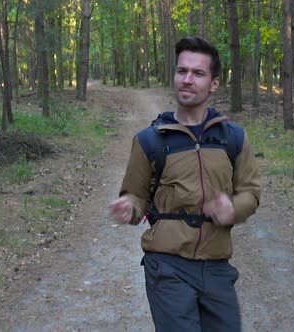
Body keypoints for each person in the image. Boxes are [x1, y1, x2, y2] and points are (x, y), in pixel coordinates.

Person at [108, 36, 260, 332]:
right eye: (182, 71)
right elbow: (136, 196)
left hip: (217, 266)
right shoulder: (149, 141)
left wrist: (233, 208)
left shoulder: (234, 139)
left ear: (214, 83)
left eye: (198, 73)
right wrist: (129, 206)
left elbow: (250, 193)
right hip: (167, 266)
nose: (187, 80)